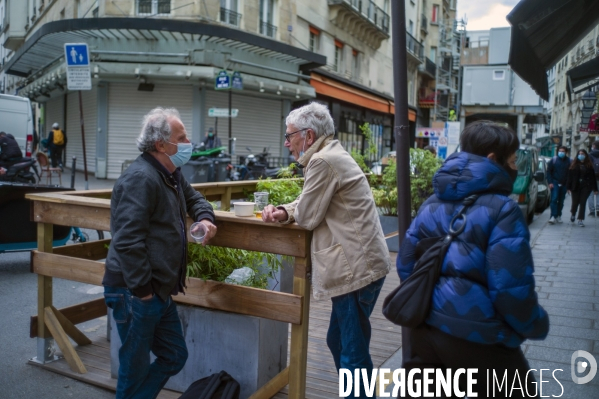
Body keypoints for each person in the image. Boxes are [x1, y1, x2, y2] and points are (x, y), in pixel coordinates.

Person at [397, 121, 549, 397]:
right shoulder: (504, 210)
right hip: (478, 336)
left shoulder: (431, 202)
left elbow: (406, 264)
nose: (515, 167)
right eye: (513, 161)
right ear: (493, 159)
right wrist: (535, 323)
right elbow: (510, 289)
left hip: (424, 331)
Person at [261, 102, 391, 398]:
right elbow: (311, 201)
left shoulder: (321, 161)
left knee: (351, 351)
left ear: (308, 135)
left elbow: (307, 215)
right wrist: (284, 210)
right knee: (340, 341)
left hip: (355, 268)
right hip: (362, 264)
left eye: (289, 134)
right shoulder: (329, 155)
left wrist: (288, 212)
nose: (286, 142)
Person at [102, 107, 217, 399]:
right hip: (136, 290)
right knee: (133, 369)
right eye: (182, 137)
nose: (189, 142)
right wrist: (143, 291)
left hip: (156, 289)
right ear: (161, 145)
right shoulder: (141, 178)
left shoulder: (171, 173)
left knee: (175, 355)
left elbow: (195, 199)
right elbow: (127, 240)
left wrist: (205, 218)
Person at [566, 149, 599, 227]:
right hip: (575, 186)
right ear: (577, 155)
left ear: (586, 155)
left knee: (583, 203)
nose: (581, 155)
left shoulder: (589, 166)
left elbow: (592, 178)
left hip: (586, 187)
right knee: (575, 203)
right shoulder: (573, 165)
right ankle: (573, 213)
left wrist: (595, 189)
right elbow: (569, 177)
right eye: (580, 154)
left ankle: (580, 219)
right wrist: (568, 187)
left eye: (582, 154)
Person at [546, 145, 571, 224]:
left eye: (563, 151)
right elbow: (548, 172)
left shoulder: (569, 161)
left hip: (564, 183)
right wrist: (550, 182)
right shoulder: (554, 160)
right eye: (560, 151)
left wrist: (569, 186)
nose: (561, 152)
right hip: (555, 182)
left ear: (566, 152)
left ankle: (559, 215)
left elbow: (571, 174)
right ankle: (553, 216)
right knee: (554, 199)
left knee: (561, 201)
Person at [587, 141, 599, 216]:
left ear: (594, 146)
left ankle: (592, 211)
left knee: (590, 194)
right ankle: (598, 209)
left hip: (591, 177)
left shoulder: (589, 155)